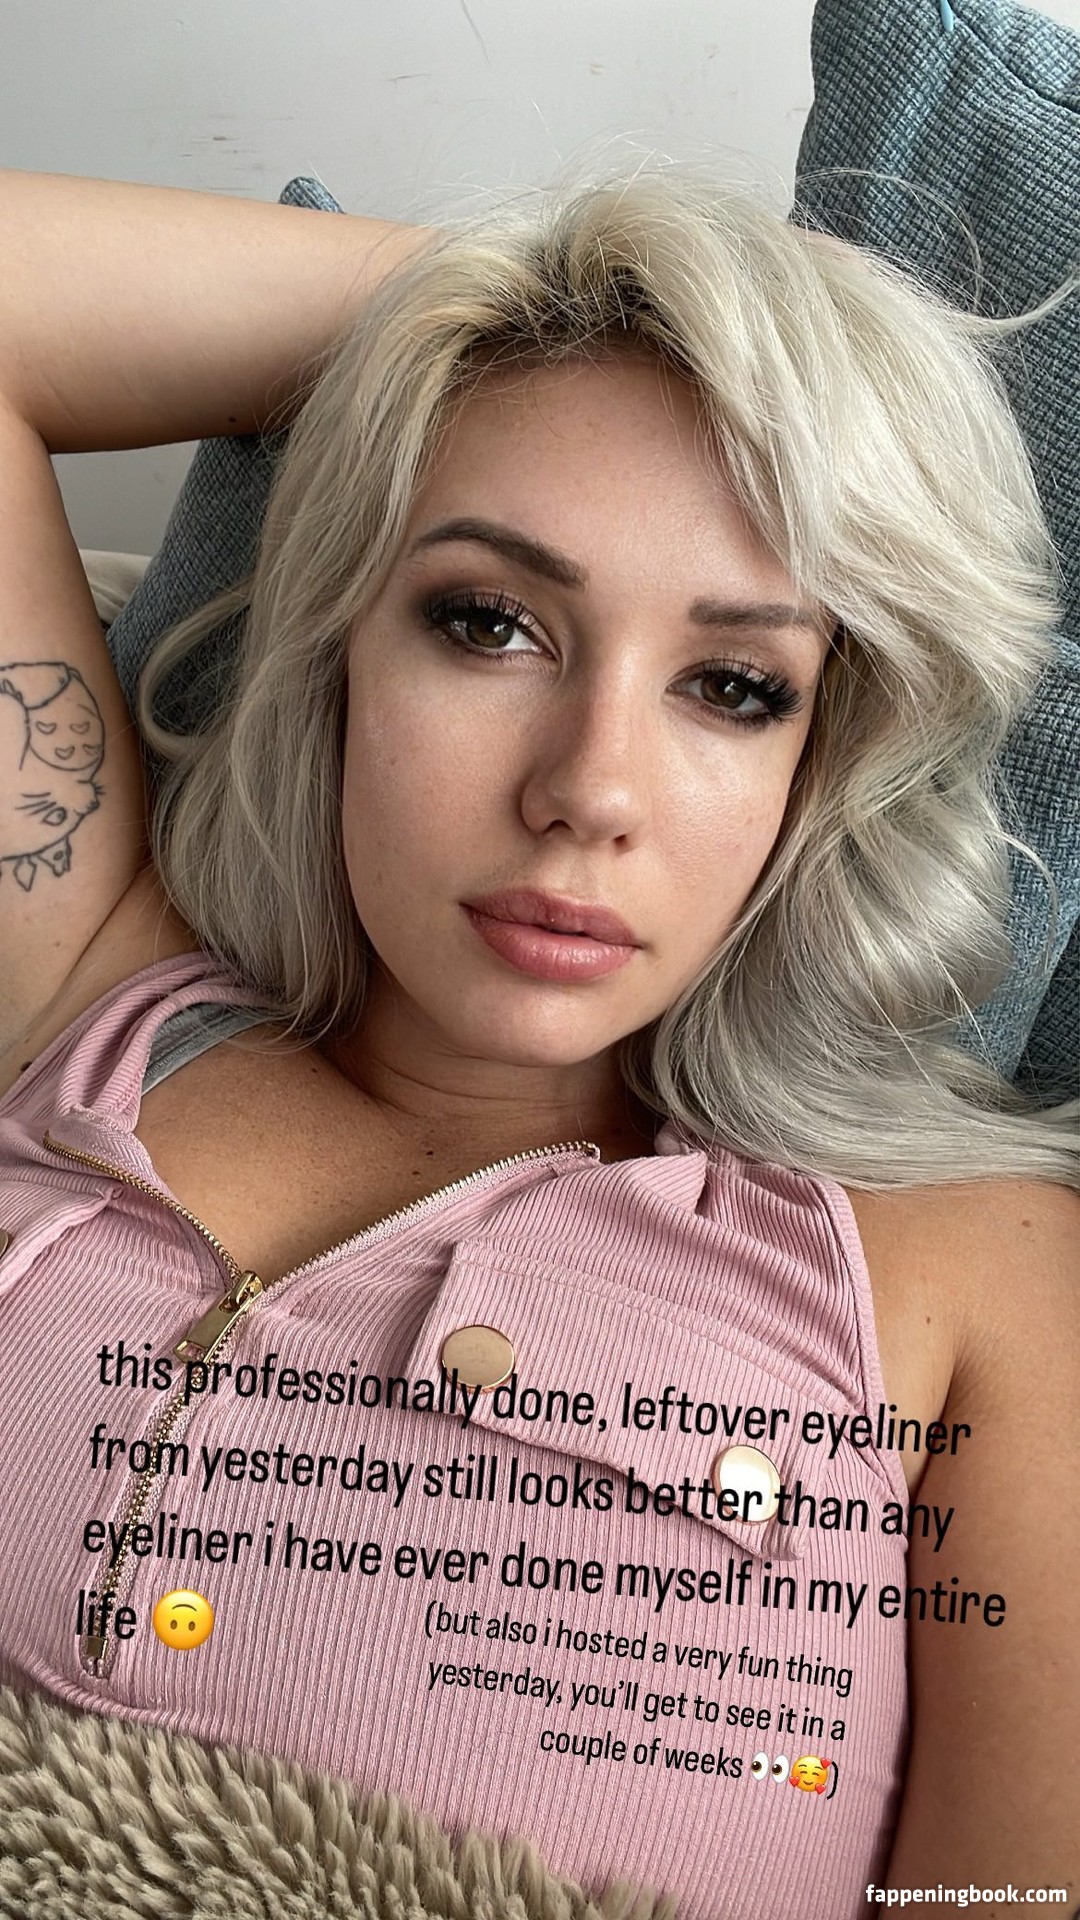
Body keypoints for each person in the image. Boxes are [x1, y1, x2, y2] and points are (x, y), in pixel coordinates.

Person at [0, 156, 1076, 1919]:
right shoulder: (87, 991)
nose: (590, 789)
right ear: (342, 643)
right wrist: (531, 306)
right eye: (488, 622)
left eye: (734, 686)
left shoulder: (977, 1274)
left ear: (823, 764)